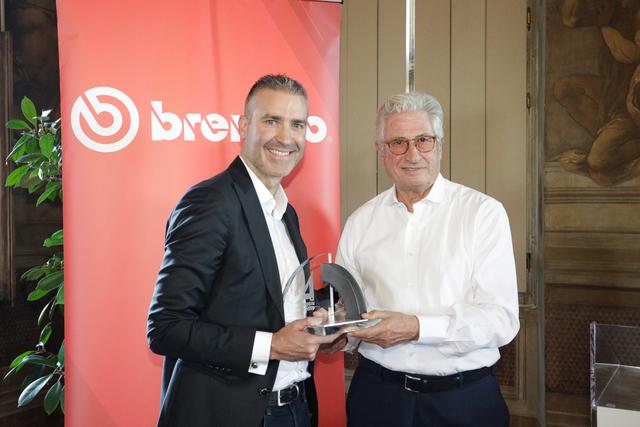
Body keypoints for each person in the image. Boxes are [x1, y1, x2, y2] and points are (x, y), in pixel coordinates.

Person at [147, 74, 339, 427]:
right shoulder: (210, 203)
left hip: (295, 410)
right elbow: (166, 327)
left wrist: (320, 323)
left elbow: (264, 307)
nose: (286, 137)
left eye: (297, 124)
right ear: (244, 126)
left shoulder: (286, 212)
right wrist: (273, 345)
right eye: (272, 121)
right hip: (229, 415)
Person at [337, 91, 520, 427]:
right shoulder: (360, 222)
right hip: (376, 397)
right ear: (381, 151)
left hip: (463, 401)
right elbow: (350, 314)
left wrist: (417, 328)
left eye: (423, 140)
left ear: (440, 146)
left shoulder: (483, 214)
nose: (413, 154)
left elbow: (501, 320)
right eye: (398, 143)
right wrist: (336, 334)